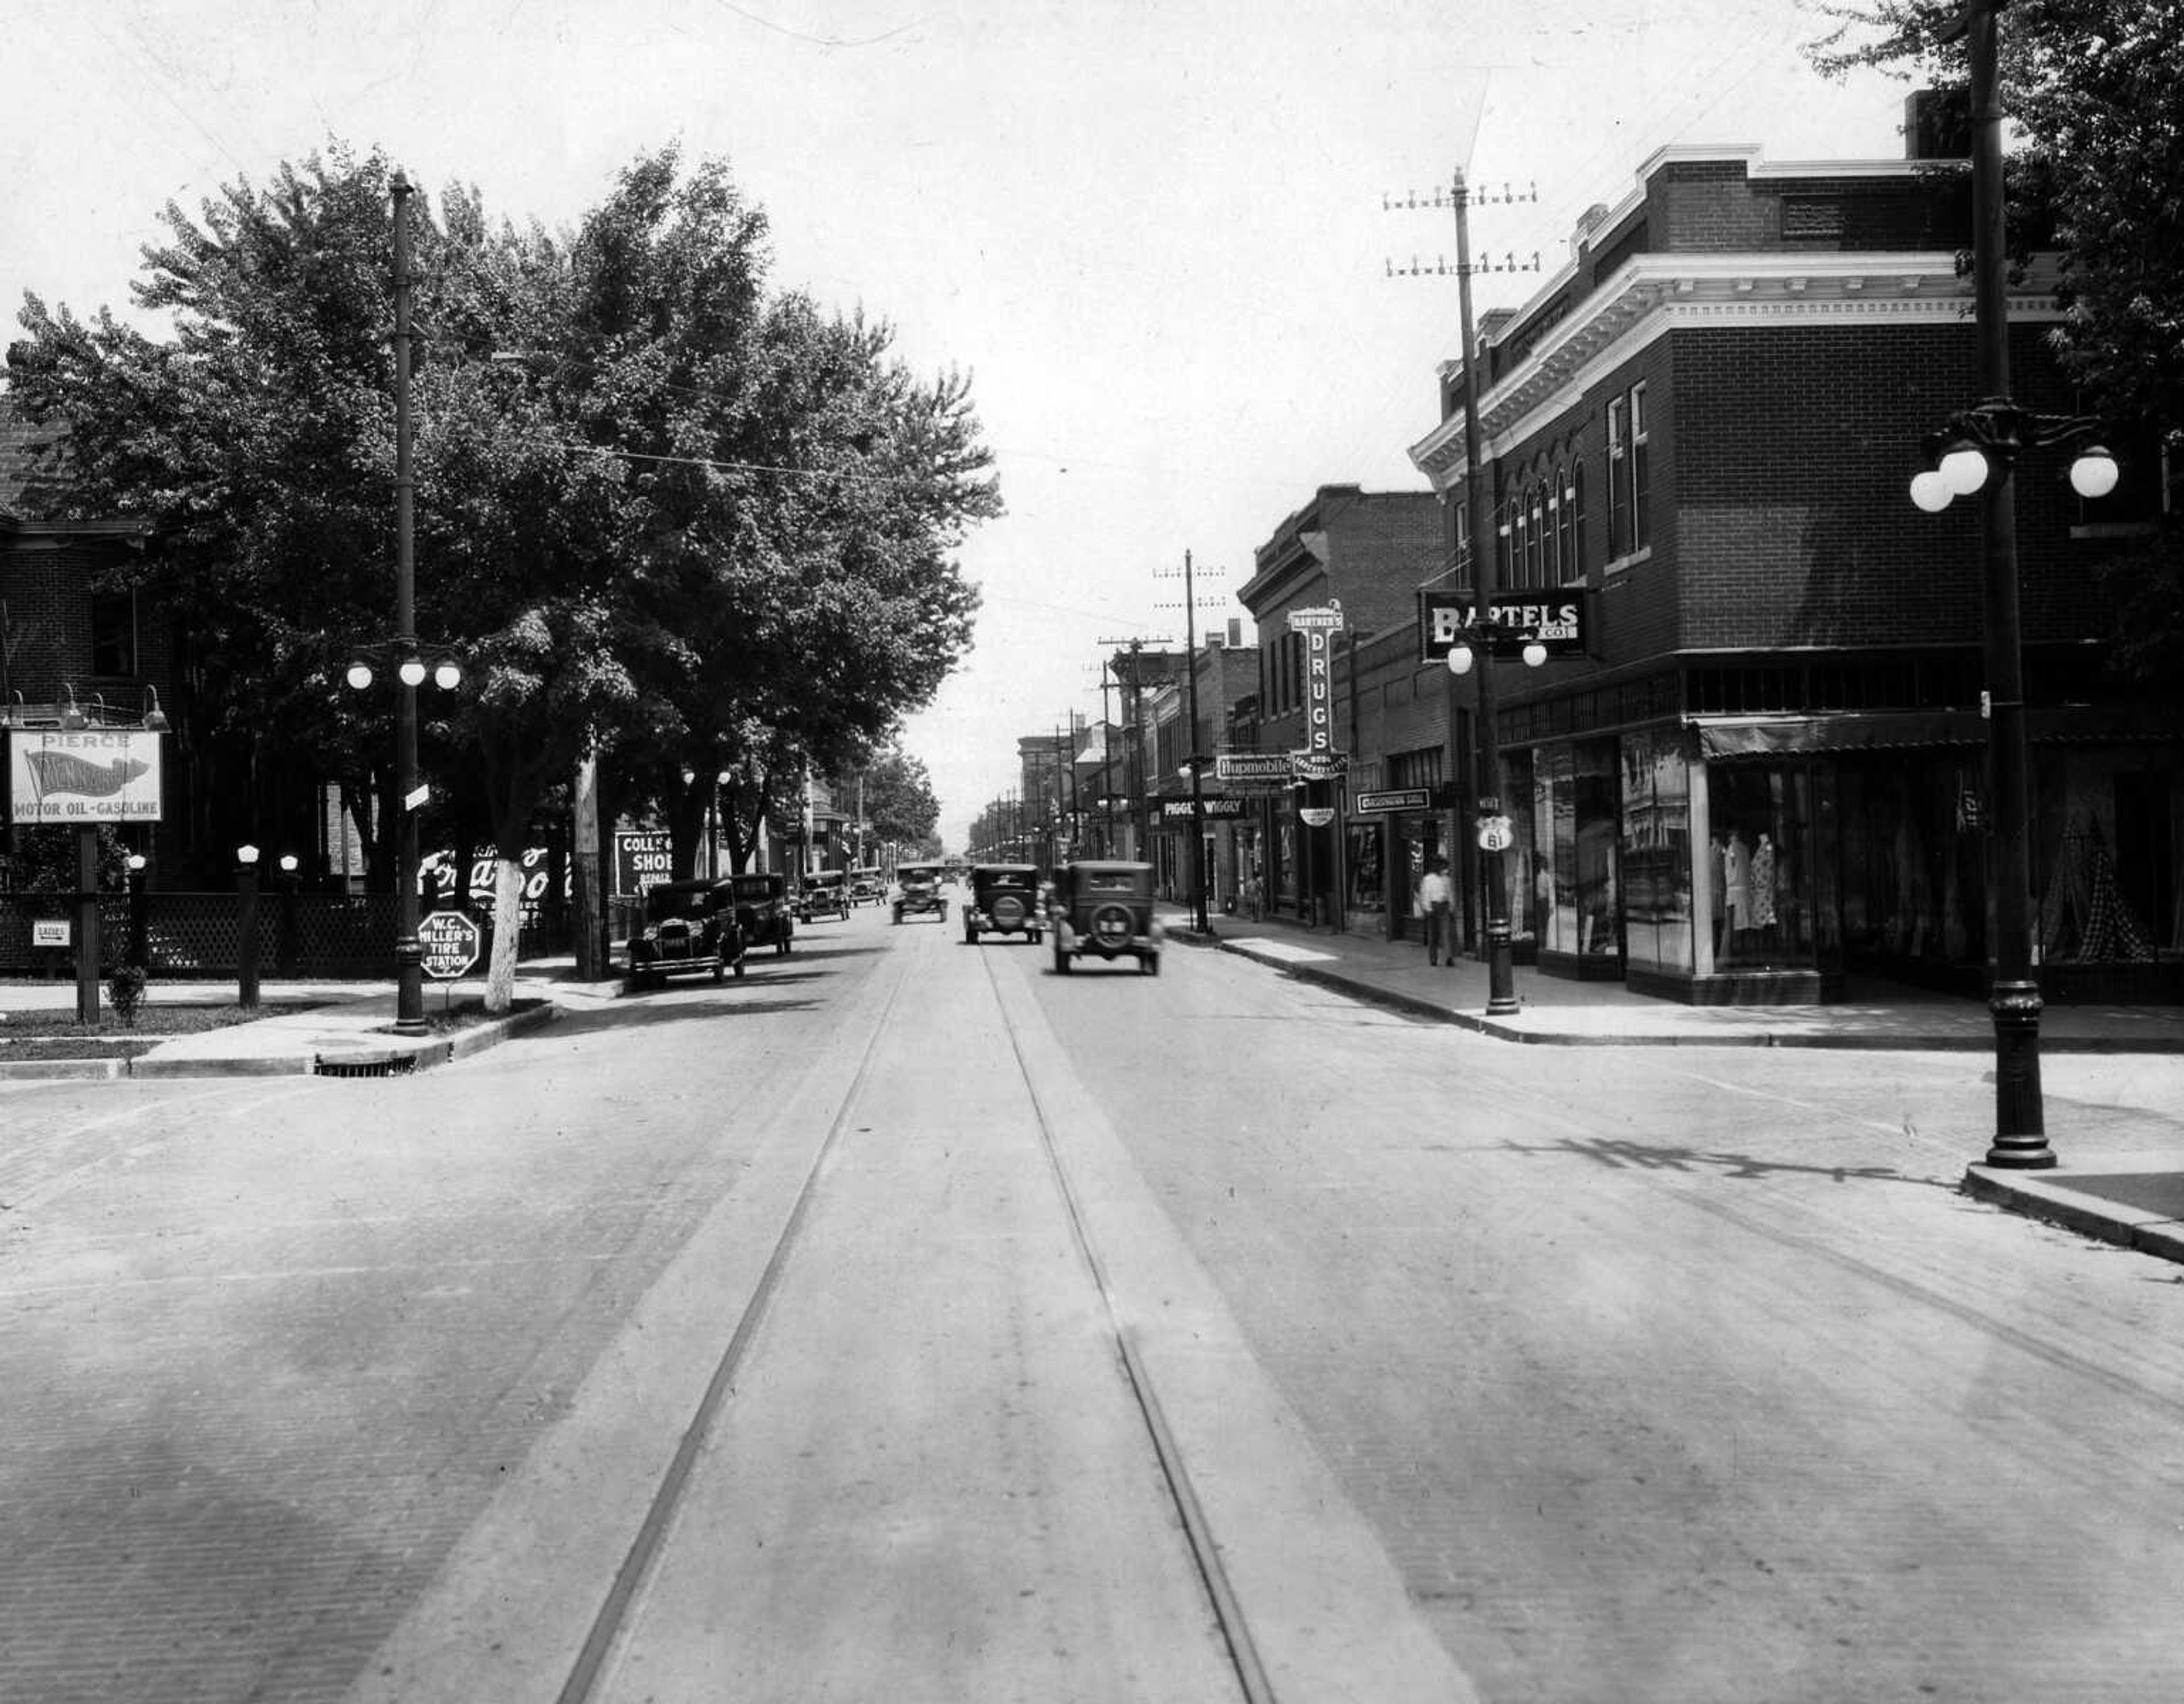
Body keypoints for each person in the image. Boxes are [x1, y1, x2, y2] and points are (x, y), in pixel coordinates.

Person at [1418, 855, 1454, 967]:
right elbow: (1425, 894)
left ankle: (1448, 958)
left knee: (1446, 934)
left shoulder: (1447, 880)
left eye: (1444, 865)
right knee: (1433, 935)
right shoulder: (1428, 879)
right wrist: (1428, 908)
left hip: (1444, 906)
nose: (1443, 868)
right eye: (1441, 865)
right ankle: (1433, 959)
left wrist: (1452, 907)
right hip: (1433, 906)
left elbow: (1450, 894)